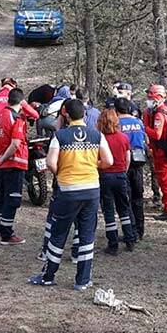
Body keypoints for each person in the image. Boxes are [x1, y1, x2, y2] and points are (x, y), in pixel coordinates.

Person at [30, 99, 113, 290]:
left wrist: (61, 171)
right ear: (84, 114)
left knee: (59, 233)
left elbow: (50, 163)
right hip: (91, 189)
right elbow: (108, 160)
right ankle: (82, 281)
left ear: (65, 114)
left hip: (68, 190)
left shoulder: (60, 136)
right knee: (86, 235)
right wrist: (94, 166)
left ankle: (48, 275)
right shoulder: (97, 135)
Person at [0, 88, 29, 245]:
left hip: (1, 164)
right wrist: (3, 158)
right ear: (21, 102)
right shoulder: (16, 118)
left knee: (0, 196)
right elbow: (16, 143)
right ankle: (7, 233)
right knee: (12, 199)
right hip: (14, 163)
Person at [97, 108, 137, 255]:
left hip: (105, 176)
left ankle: (113, 244)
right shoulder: (123, 138)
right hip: (120, 176)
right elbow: (128, 159)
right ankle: (130, 238)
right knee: (124, 208)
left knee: (108, 211)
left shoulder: (99, 138)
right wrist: (122, 172)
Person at [144, 84, 167, 223]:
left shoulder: (159, 114)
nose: (148, 100)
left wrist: (144, 127)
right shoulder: (166, 109)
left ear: (157, 98)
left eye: (150, 98)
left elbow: (157, 135)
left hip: (162, 152)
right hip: (165, 151)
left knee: (166, 182)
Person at [116, 97, 148, 243]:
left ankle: (131, 231)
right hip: (139, 162)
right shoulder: (138, 122)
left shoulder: (117, 124)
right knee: (138, 198)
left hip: (124, 162)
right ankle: (140, 231)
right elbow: (145, 141)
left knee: (126, 199)